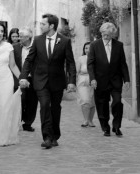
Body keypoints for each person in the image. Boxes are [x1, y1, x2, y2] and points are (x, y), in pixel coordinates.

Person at [19, 13, 76, 149]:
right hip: (40, 81)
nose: (40, 26)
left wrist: (71, 81)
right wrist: (23, 76)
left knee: (55, 108)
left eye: (43, 24)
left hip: (57, 81)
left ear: (51, 26)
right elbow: (29, 60)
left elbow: (70, 63)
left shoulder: (64, 41)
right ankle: (47, 137)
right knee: (44, 106)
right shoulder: (37, 40)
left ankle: (55, 135)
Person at [87, 22, 130, 137]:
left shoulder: (119, 45)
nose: (105, 37)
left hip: (115, 80)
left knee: (117, 102)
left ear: (112, 34)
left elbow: (122, 64)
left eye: (107, 35)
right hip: (100, 81)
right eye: (103, 34)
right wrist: (92, 79)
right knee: (102, 105)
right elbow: (90, 64)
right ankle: (105, 127)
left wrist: (126, 79)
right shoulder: (94, 45)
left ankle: (117, 126)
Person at [12, 27, 38, 132]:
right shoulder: (15, 47)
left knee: (32, 102)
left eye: (21, 36)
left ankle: (28, 123)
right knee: (20, 100)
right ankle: (18, 120)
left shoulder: (36, 47)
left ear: (28, 37)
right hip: (20, 78)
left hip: (34, 79)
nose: (19, 38)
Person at [77, 42, 96, 127]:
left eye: (89, 48)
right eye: (86, 48)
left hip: (93, 81)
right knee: (85, 100)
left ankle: (90, 120)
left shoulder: (96, 58)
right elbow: (77, 71)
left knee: (92, 101)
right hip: (82, 81)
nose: (87, 50)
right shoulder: (81, 58)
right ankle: (85, 120)